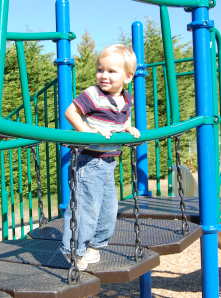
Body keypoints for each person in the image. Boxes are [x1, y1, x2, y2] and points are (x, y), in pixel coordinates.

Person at [61, 44, 140, 270]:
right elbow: (70, 112)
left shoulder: (126, 99)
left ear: (127, 76)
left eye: (111, 71)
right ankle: (74, 250)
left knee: (108, 209)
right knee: (86, 208)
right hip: (88, 160)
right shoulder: (92, 94)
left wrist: (128, 128)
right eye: (100, 69)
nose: (103, 76)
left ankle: (95, 245)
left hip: (108, 162)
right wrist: (88, 132)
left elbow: (120, 120)